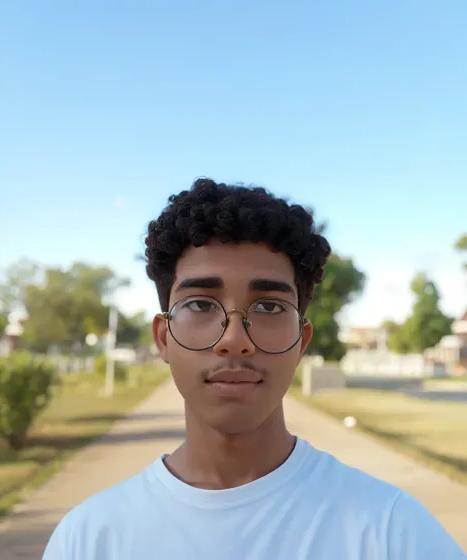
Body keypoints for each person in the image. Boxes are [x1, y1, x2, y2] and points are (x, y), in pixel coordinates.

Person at [43, 178, 466, 559]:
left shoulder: (393, 532)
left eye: (268, 305)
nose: (233, 338)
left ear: (300, 342)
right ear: (163, 338)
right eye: (200, 304)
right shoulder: (88, 539)